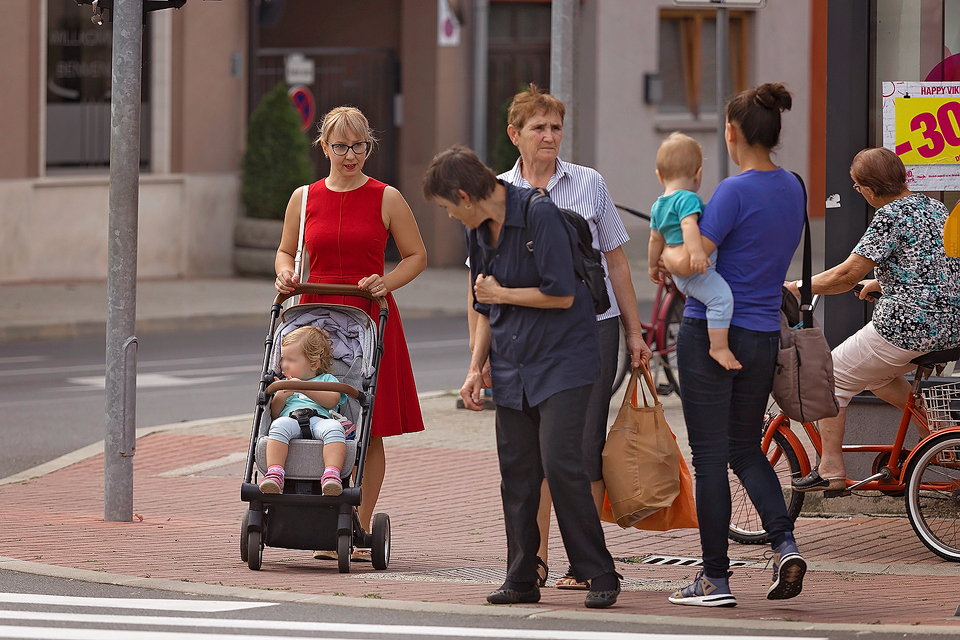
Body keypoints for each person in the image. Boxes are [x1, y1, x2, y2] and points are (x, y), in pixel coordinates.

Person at [424, 144, 622, 609]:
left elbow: (562, 295)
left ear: (464, 196)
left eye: (449, 207)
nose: (450, 216)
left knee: (561, 464)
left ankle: (598, 571)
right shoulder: (478, 230)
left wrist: (504, 294)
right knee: (517, 472)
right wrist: (476, 368)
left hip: (564, 360)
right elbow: (485, 303)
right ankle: (521, 576)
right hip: (513, 363)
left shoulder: (539, 214)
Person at [485, 83, 650, 590]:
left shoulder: (588, 183)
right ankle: (530, 566)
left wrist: (635, 333)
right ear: (514, 134)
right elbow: (481, 285)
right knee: (525, 459)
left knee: (576, 452)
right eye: (538, 127)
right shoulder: (497, 193)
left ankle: (586, 566)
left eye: (556, 127)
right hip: (520, 340)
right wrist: (479, 357)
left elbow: (616, 263)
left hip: (588, 333)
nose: (549, 136)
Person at [669, 82, 807, 607]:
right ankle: (785, 544)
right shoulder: (793, 187)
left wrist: (664, 256)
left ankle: (714, 578)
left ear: (731, 132)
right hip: (763, 333)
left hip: (711, 333)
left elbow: (693, 260)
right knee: (745, 447)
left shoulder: (733, 191)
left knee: (709, 458)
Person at [275, 105, 427, 561]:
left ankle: (357, 525)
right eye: (340, 146)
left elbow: (416, 256)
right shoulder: (303, 198)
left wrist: (387, 282)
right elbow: (285, 251)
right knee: (309, 411)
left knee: (368, 427)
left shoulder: (387, 197)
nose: (350, 155)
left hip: (368, 316)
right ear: (324, 147)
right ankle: (312, 511)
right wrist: (285, 274)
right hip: (315, 316)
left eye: (359, 146)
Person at [788, 147, 960, 492]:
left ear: (868, 189)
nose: (858, 192)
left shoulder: (889, 215)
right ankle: (939, 439)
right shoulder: (934, 207)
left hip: (909, 327)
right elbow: (933, 267)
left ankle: (830, 468)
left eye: (856, 186)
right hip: (951, 327)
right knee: (875, 377)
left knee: (829, 377)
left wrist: (796, 287)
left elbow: (846, 275)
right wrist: (881, 283)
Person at [648, 132, 740, 371]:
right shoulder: (687, 199)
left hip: (679, 275)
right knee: (721, 299)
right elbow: (688, 225)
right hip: (696, 271)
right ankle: (718, 347)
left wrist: (652, 266)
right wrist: (698, 253)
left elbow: (655, 239)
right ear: (698, 174)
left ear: (659, 176)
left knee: (713, 298)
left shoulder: (658, 205)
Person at [259, 326, 348, 496]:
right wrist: (281, 396)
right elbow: (274, 414)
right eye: (283, 359)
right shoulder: (284, 383)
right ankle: (275, 473)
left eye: (291, 360)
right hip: (290, 419)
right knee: (278, 426)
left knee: (335, 428)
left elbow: (333, 400)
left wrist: (304, 388)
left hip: (320, 419)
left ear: (313, 364)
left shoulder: (327, 379)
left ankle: (331, 475)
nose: (284, 364)